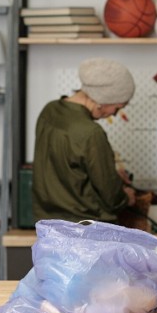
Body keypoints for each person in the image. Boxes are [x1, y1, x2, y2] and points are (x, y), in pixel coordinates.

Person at [32, 57, 137, 223]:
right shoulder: (91, 133)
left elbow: (67, 171)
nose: (115, 114)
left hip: (49, 225)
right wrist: (126, 197)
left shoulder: (49, 111)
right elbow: (111, 196)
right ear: (104, 99)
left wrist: (112, 175)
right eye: (118, 107)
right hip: (87, 230)